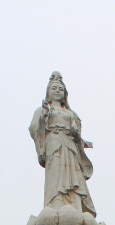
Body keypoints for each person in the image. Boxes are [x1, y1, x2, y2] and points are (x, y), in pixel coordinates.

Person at [29, 72, 96, 217]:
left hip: (70, 145)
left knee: (73, 175)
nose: (57, 91)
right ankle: (56, 204)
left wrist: (76, 135)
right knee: (56, 173)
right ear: (48, 93)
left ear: (65, 93)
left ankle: (74, 204)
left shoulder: (71, 113)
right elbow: (34, 128)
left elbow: (77, 132)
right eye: (54, 88)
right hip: (54, 143)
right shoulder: (42, 110)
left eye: (60, 89)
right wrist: (44, 118)